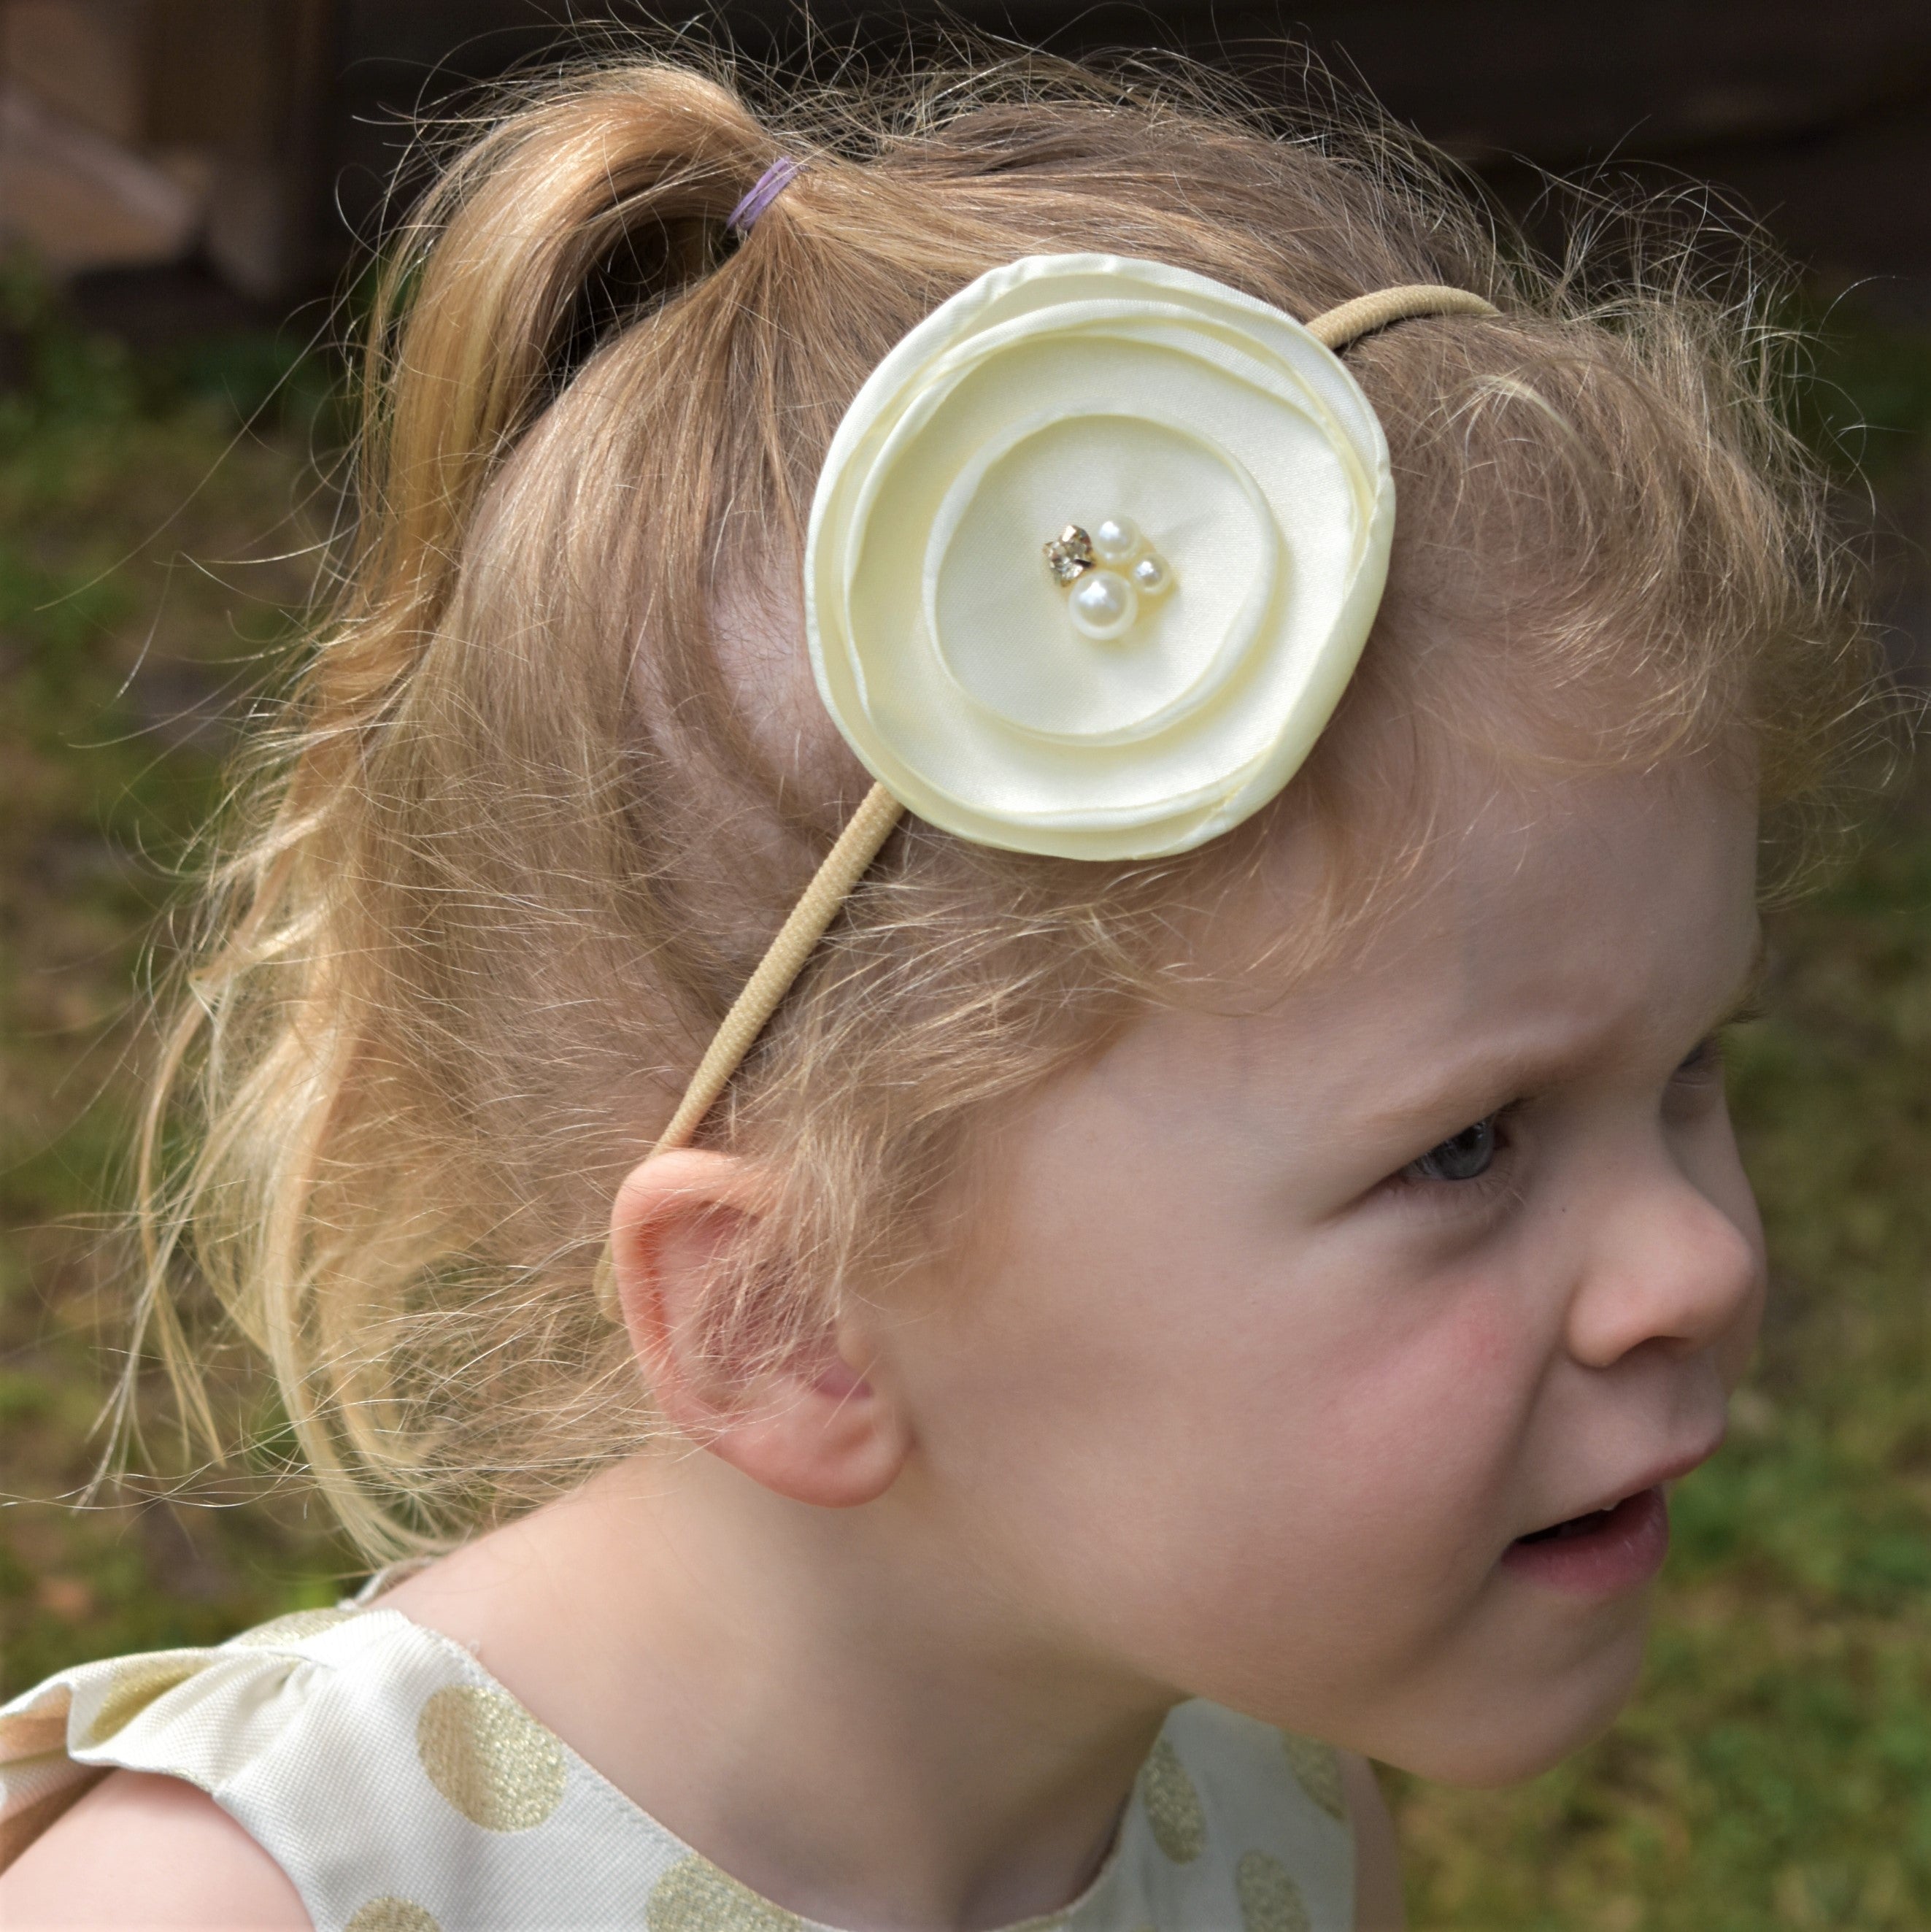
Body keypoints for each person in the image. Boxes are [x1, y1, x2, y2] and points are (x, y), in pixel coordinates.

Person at [0, 41, 1878, 1932]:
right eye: (1470, 1146)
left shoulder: (1273, 1832)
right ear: (794, 1316)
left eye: (1694, 1060)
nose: (1701, 1263)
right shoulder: (236, 1909)